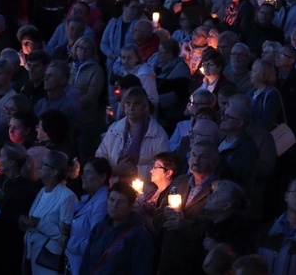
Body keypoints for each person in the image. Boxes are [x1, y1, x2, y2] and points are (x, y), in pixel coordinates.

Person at [157, 141, 220, 275]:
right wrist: (165, 215)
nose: (196, 160)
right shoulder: (180, 181)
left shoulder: (218, 190)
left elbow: (215, 230)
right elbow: (158, 216)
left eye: (202, 157)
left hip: (195, 262)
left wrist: (183, 225)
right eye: (193, 155)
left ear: (214, 162)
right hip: (169, 259)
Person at [0, 142, 38, 273]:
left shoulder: (24, 188)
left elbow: (14, 219)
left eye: (2, 156)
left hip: (8, 248)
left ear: (11, 162)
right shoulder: (1, 180)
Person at [21, 150, 77, 275]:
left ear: (54, 172)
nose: (38, 166)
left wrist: (39, 223)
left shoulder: (67, 197)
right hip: (31, 257)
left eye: (43, 164)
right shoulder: (42, 191)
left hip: (48, 262)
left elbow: (65, 234)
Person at [79, 181, 154, 275]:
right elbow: (86, 261)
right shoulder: (100, 227)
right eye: (111, 200)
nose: (114, 205)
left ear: (130, 206)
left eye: (121, 202)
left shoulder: (139, 236)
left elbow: (141, 269)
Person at [97, 86, 169, 182]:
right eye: (128, 103)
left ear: (144, 107)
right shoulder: (114, 129)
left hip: (144, 189)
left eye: (136, 104)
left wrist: (135, 170)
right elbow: (100, 156)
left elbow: (164, 167)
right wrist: (115, 170)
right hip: (113, 186)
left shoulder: (157, 134)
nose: (131, 108)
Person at [66, 157, 111, 274]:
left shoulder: (102, 204)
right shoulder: (90, 200)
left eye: (88, 172)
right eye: (83, 172)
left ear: (102, 177)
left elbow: (95, 242)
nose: (83, 176)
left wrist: (68, 241)